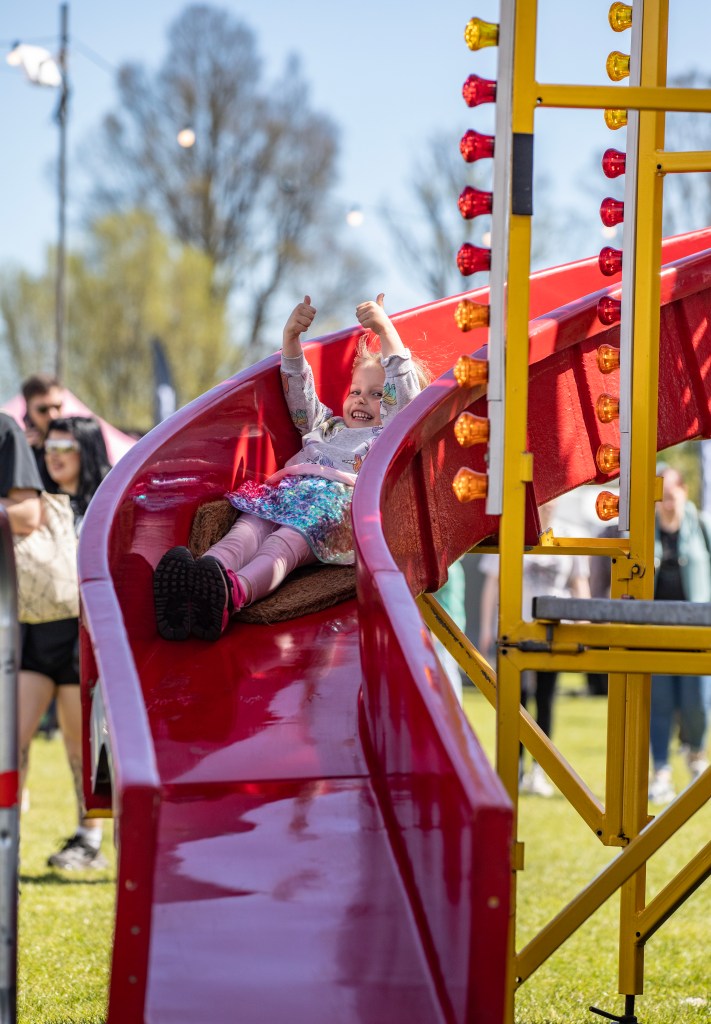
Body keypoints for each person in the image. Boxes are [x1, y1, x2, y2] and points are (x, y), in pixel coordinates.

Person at [154, 293, 430, 642]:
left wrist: (385, 331)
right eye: (356, 390)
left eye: (377, 394)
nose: (361, 398)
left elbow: (405, 403)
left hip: (333, 507)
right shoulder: (327, 426)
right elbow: (301, 398)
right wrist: (290, 341)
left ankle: (234, 592)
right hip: (285, 494)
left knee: (282, 545)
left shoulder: (387, 438)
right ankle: (201, 581)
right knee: (246, 531)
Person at [19, 416, 112, 869]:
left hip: (82, 640)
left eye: (66, 446)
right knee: (11, 741)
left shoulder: (105, 506)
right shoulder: (32, 502)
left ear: (87, 451)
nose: (55, 454)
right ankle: (7, 833)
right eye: (51, 445)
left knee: (80, 749)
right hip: (34, 637)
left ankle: (88, 838)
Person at [478, 500, 591, 797]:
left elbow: (580, 584)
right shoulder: (511, 532)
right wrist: (487, 627)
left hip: (553, 630)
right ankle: (512, 767)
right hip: (516, 628)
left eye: (554, 501)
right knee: (515, 701)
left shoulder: (570, 533)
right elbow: (492, 583)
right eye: (544, 501)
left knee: (546, 699)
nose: (549, 506)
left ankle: (540, 770)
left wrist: (585, 625)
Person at [648, 465, 711, 804]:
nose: (668, 504)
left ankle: (696, 755)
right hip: (658, 633)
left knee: (697, 703)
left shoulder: (701, 525)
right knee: (659, 704)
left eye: (671, 497)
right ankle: (661, 772)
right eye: (662, 499)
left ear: (684, 492)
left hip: (696, 633)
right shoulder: (647, 531)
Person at [21, 373, 64, 493]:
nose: (52, 415)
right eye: (42, 409)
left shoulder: (78, 439)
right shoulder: (20, 447)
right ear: (28, 410)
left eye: (57, 407)